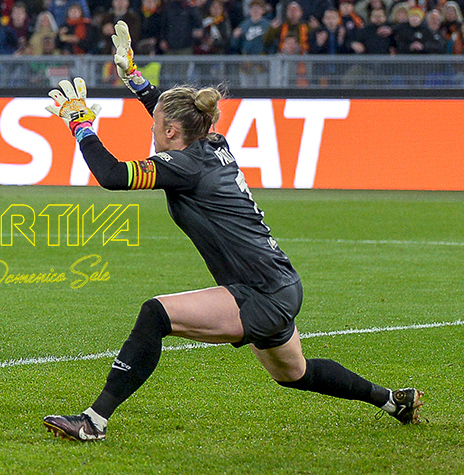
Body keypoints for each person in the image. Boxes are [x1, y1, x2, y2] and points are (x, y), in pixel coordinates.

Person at [39, 23, 424, 441]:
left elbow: (112, 175)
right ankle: (393, 400)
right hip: (279, 283)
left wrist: (80, 122)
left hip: (259, 291)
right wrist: (134, 80)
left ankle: (93, 421)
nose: (152, 131)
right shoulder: (213, 142)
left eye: (157, 127)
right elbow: (172, 114)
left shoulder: (182, 167)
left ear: (171, 133)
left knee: (156, 314)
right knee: (296, 372)